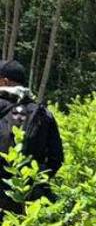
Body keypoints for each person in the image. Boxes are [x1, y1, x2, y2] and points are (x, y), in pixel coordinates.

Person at [0, 59, 64, 213]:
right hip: (30, 199)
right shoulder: (42, 112)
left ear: (4, 81)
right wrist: (35, 184)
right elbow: (57, 158)